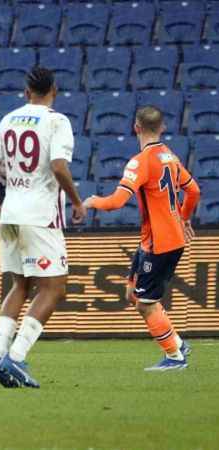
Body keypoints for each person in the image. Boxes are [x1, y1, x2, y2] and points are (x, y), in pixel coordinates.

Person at [0, 67, 86, 388]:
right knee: (53, 288)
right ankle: (17, 356)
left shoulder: (9, 119)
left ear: (27, 93)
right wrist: (77, 201)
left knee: (20, 286)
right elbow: (58, 166)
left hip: (10, 212)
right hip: (41, 216)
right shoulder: (57, 121)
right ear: (54, 90)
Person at [83, 106, 200, 371]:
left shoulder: (141, 161)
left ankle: (174, 357)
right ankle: (178, 344)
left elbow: (115, 202)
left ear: (136, 127)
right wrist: (183, 216)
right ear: (163, 128)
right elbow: (193, 191)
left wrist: (92, 202)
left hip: (161, 243)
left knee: (146, 304)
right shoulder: (169, 157)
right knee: (132, 293)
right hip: (157, 239)